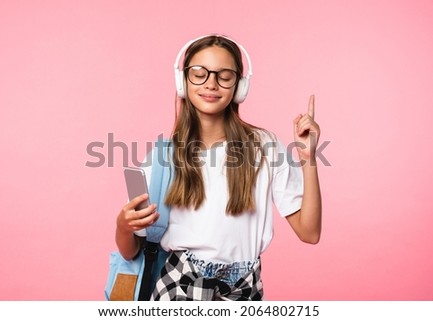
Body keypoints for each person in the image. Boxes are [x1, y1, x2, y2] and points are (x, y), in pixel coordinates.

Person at [115, 34, 322, 301]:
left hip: (244, 291)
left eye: (224, 76)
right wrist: (122, 226)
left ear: (240, 86)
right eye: (199, 73)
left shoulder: (265, 146)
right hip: (178, 288)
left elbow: (310, 232)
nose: (211, 84)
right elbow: (131, 251)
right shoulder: (162, 158)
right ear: (183, 81)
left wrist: (308, 159)